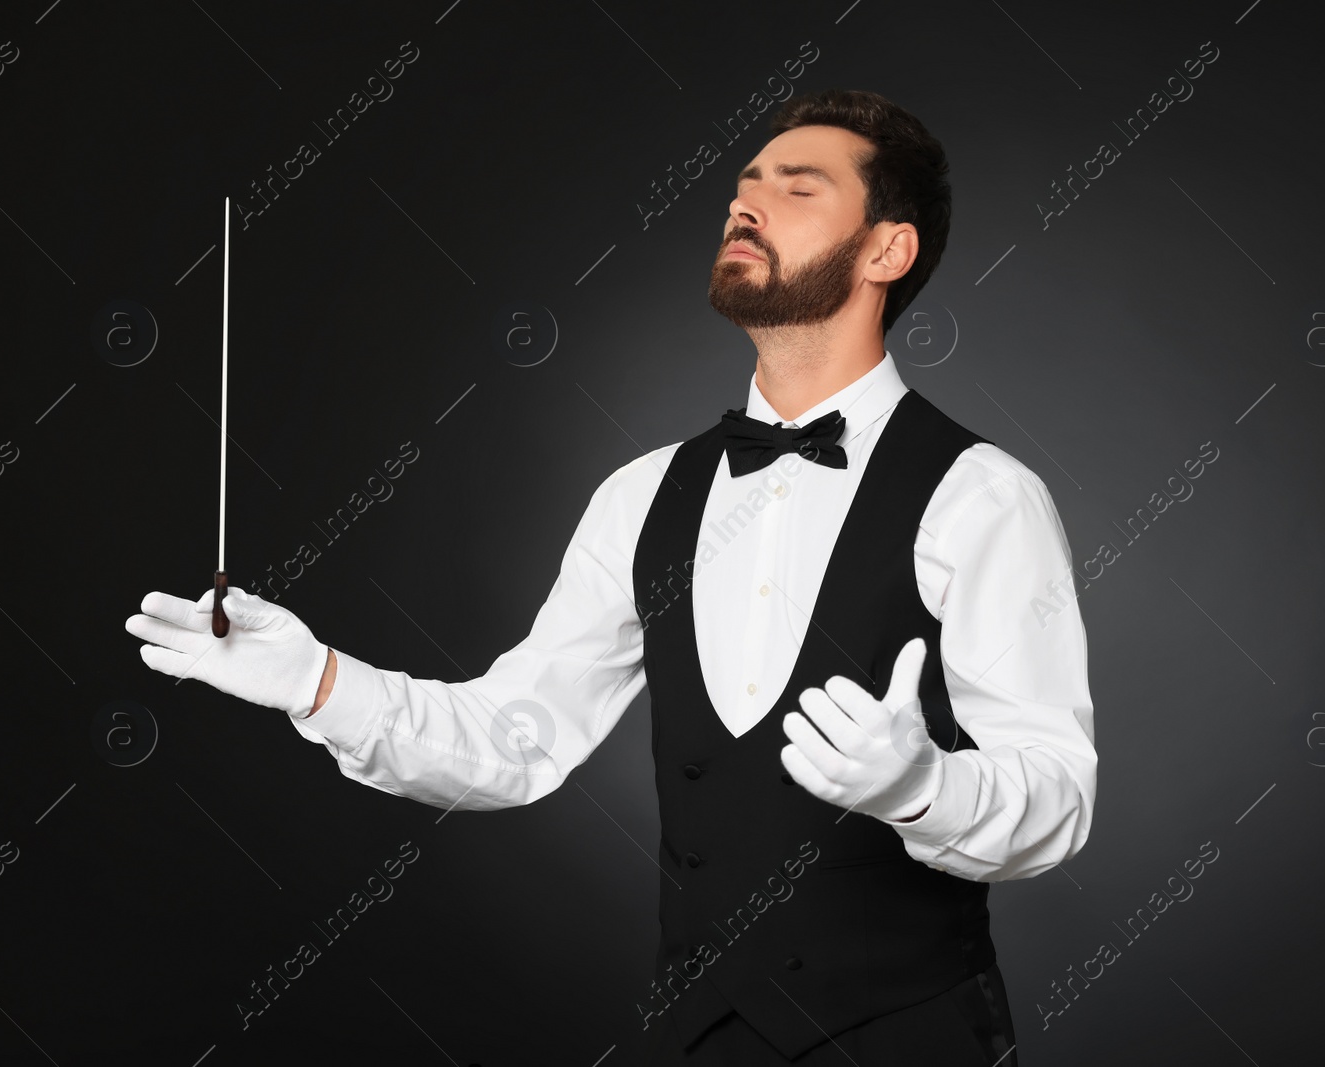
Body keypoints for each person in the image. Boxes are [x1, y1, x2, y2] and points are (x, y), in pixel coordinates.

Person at [126, 88, 1096, 1065]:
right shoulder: (638, 496)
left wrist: (924, 786)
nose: (745, 206)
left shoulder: (982, 498)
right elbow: (516, 740)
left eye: (796, 189)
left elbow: (1057, 795)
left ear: (887, 250)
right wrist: (316, 681)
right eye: (742, 185)